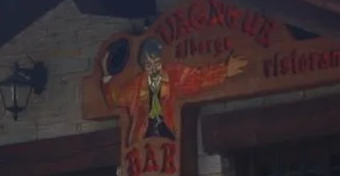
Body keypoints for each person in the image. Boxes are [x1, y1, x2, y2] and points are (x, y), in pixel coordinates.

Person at [101, 37, 247, 147]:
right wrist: (106, 74)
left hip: (167, 135)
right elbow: (115, 98)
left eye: (154, 59)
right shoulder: (137, 84)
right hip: (142, 140)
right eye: (148, 61)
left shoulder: (172, 75)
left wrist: (224, 70)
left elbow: (198, 78)